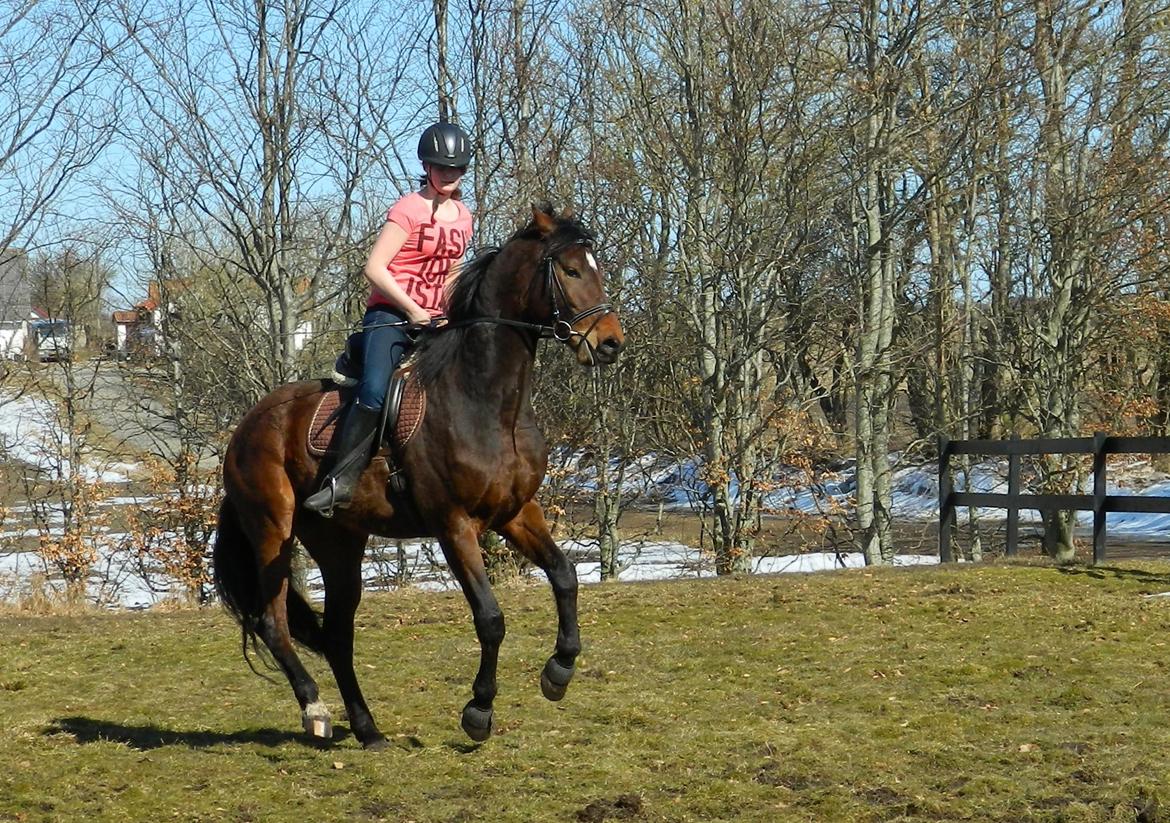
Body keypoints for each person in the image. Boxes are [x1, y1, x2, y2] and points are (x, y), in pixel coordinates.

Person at [304, 121, 474, 515]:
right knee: (376, 390)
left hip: (437, 320)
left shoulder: (463, 216)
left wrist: (450, 311)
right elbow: (375, 267)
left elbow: (452, 271)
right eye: (442, 168)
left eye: (457, 170)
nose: (450, 176)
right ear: (427, 168)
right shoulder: (408, 209)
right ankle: (339, 482)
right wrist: (413, 309)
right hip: (392, 316)